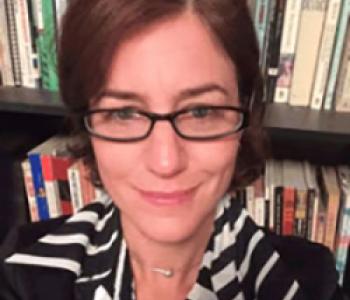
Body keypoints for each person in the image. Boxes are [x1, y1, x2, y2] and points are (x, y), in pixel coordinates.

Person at [0, 0, 341, 299]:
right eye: (123, 113)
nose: (166, 162)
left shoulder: (307, 282)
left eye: (201, 112)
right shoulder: (24, 269)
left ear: (245, 110)